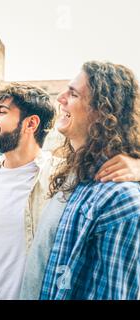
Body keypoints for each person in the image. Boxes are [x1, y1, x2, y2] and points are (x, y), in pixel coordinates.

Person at [0, 82, 140, 300]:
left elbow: (111, 175)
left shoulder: (64, 175)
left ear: (31, 123)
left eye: (2, 111)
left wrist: (136, 164)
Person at [35, 61, 140, 300]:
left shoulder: (121, 200)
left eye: (73, 94)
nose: (60, 98)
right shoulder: (75, 178)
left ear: (102, 111)